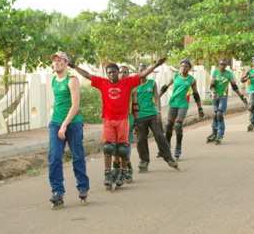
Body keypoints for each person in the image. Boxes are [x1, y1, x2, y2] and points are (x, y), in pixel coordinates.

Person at [69, 57, 166, 190]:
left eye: (114, 72)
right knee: (108, 148)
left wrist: (156, 65)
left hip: (123, 121)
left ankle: (123, 172)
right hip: (108, 120)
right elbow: (88, 75)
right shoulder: (103, 83)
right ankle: (108, 174)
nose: (111, 74)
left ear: (118, 72)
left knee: (123, 149)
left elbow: (143, 74)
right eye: (109, 72)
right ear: (106, 73)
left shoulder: (127, 83)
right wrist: (74, 66)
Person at [48, 51, 90, 208]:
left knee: (77, 156)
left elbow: (75, 105)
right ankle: (57, 192)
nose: (57, 62)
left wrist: (64, 125)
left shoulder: (72, 80)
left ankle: (83, 187)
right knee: (54, 157)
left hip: (73, 123)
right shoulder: (53, 80)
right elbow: (58, 101)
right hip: (56, 122)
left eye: (61, 60)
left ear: (66, 63)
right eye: (55, 60)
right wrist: (55, 118)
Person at [133, 63, 179, 172]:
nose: (143, 73)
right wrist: (133, 118)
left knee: (160, 136)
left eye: (145, 70)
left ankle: (168, 157)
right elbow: (131, 102)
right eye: (141, 70)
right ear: (138, 72)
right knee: (141, 139)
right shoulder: (134, 85)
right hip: (140, 116)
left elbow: (156, 98)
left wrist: (158, 111)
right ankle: (144, 161)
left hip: (152, 114)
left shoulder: (152, 83)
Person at [160, 59, 205, 160]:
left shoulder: (191, 80)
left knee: (178, 124)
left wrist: (200, 108)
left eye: (186, 66)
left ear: (189, 68)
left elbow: (196, 94)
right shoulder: (175, 76)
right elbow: (165, 87)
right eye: (182, 66)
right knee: (168, 125)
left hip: (183, 104)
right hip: (173, 103)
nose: (183, 68)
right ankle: (167, 146)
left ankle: (178, 146)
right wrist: (157, 97)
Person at [206, 59, 248, 144]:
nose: (222, 66)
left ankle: (220, 135)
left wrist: (241, 96)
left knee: (219, 114)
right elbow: (212, 85)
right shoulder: (215, 72)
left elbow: (234, 86)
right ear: (219, 64)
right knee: (215, 115)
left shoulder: (229, 74)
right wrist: (213, 91)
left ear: (226, 65)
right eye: (221, 64)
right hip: (215, 96)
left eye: (224, 65)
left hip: (223, 97)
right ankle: (214, 133)